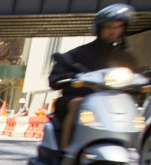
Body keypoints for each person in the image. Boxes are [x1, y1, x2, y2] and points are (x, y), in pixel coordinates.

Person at [49, 3, 137, 150]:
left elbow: (137, 75)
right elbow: (56, 77)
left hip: (111, 101)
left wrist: (146, 81)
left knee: (133, 109)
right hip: (81, 98)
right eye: (109, 27)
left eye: (118, 27)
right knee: (78, 103)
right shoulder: (79, 53)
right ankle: (65, 152)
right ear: (100, 28)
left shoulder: (125, 57)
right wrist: (67, 77)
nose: (113, 31)